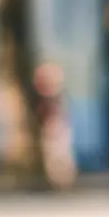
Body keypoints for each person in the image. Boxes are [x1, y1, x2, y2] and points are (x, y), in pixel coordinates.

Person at [33, 61, 77, 190]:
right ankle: (58, 181)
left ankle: (64, 181)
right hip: (52, 128)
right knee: (53, 155)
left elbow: (60, 113)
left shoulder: (55, 96)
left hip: (57, 128)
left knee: (60, 154)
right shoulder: (49, 97)